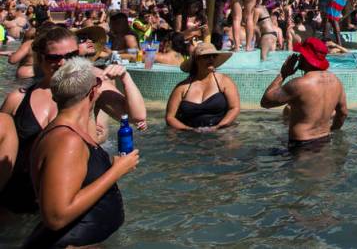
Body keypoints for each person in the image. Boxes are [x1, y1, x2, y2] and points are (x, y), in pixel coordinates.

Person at [0, 25, 146, 213]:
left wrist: (125, 78)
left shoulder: (93, 89)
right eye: (54, 57)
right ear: (40, 57)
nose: (62, 63)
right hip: (18, 198)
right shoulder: (17, 99)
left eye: (70, 56)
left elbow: (136, 116)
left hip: (73, 196)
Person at [24, 58, 139, 249]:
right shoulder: (66, 141)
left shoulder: (73, 133)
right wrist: (116, 171)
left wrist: (111, 164)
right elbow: (56, 216)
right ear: (94, 92)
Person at [260, 37, 348, 151]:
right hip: (325, 140)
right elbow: (343, 113)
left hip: (301, 144)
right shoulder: (336, 82)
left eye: (301, 54)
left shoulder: (299, 84)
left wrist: (283, 74)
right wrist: (333, 129)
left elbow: (266, 102)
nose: (299, 57)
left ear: (306, 57)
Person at [165, 42, 240, 131]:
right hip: (189, 136)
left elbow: (234, 108)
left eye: (214, 56)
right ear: (197, 60)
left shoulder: (224, 82)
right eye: (207, 56)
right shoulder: (182, 88)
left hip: (220, 132)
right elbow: (170, 117)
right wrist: (188, 129)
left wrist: (218, 127)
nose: (211, 59)